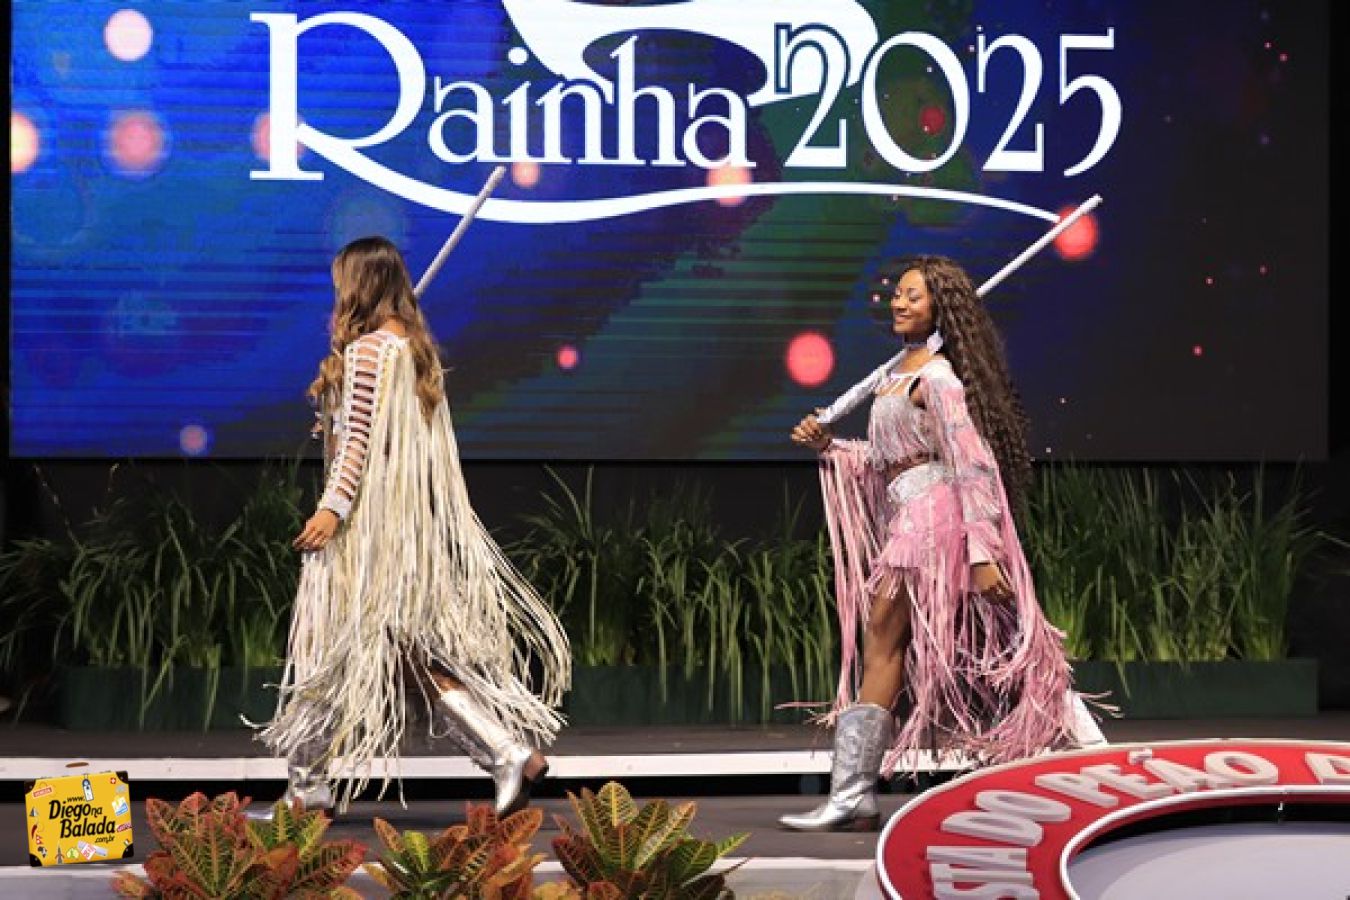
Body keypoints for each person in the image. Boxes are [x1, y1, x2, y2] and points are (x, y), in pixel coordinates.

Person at [780, 255, 1100, 832]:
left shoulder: (940, 380)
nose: (899, 303)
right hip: (912, 515)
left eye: (913, 296)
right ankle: (1086, 744)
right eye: (898, 293)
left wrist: (982, 554)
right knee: (991, 640)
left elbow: (973, 466)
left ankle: (852, 793)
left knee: (887, 638)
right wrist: (829, 445)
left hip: (936, 520)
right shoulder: (897, 376)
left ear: (939, 307)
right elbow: (886, 463)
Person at [259, 236, 571, 815]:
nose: (336, 293)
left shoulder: (369, 352)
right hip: (404, 533)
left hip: (366, 536)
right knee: (385, 657)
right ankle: (312, 784)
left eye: (342, 282)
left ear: (359, 285)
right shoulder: (413, 351)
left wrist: (332, 508)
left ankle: (310, 788)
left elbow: (358, 445)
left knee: (331, 649)